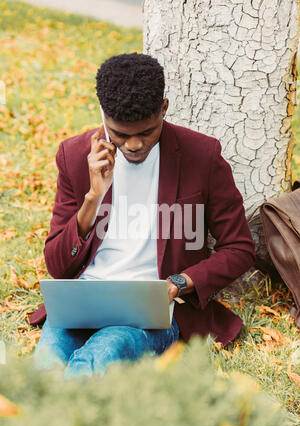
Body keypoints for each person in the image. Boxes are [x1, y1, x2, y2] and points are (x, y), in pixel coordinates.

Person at [32, 53, 255, 379]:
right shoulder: (76, 155)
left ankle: (49, 422)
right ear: (104, 115)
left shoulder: (201, 155)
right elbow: (57, 264)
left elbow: (239, 248)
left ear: (163, 108)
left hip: (155, 309)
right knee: (46, 366)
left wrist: (178, 284)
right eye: (120, 135)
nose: (134, 145)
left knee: (106, 350)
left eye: (147, 132)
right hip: (85, 300)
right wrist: (93, 198)